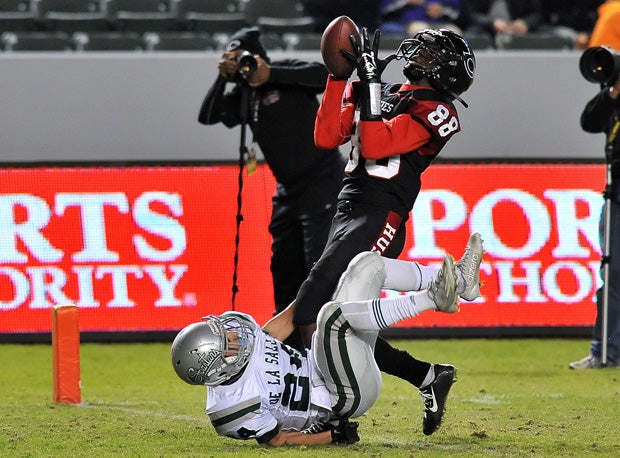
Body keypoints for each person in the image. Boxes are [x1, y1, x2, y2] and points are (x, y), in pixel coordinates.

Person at [290, 27, 477, 348]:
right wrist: (337, 79)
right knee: (341, 314)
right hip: (347, 205)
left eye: (428, 54)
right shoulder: (378, 89)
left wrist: (372, 85)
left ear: (447, 71)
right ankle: (428, 374)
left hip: (382, 212)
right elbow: (326, 137)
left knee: (314, 299)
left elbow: (377, 146)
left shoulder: (437, 109)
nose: (417, 54)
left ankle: (315, 380)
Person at [171, 250, 463, 445]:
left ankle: (459, 282)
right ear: (217, 368)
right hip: (342, 397)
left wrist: (316, 285)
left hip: (334, 366)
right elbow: (278, 438)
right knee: (331, 319)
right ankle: (433, 299)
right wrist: (332, 436)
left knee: (366, 263)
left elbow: (287, 320)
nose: (234, 336)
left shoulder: (249, 340)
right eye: (226, 343)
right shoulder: (230, 408)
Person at [197, 27, 346, 349]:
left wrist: (271, 73)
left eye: (247, 59)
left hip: (323, 185)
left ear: (260, 57)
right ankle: (290, 354)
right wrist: (224, 78)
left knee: (317, 272)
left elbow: (323, 75)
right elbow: (207, 116)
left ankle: (326, 348)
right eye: (236, 61)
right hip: (288, 193)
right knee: (284, 270)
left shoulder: (287, 73)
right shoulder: (244, 95)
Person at [570, 41, 620, 370]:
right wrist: (611, 94)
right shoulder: (612, 100)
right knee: (612, 270)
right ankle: (606, 351)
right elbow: (588, 121)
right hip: (617, 192)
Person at [379, 0, 464, 37]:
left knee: (454, 33)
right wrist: (406, 1)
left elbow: (456, 14)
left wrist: (442, 11)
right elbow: (385, 10)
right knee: (421, 30)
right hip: (412, 23)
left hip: (440, 23)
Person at [464, 0, 542, 39]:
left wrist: (525, 23)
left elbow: (537, 14)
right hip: (484, 30)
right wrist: (492, 23)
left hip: (517, 32)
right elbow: (470, 15)